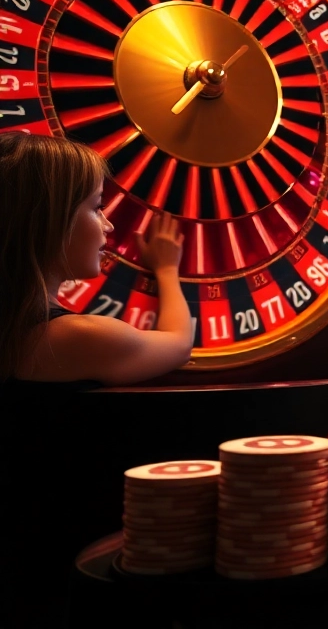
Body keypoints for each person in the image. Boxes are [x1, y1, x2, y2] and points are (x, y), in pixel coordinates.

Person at [0, 133, 195, 627]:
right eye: (95, 206)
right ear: (49, 222)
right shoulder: (74, 337)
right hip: (54, 574)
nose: (107, 223)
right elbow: (179, 342)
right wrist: (167, 270)